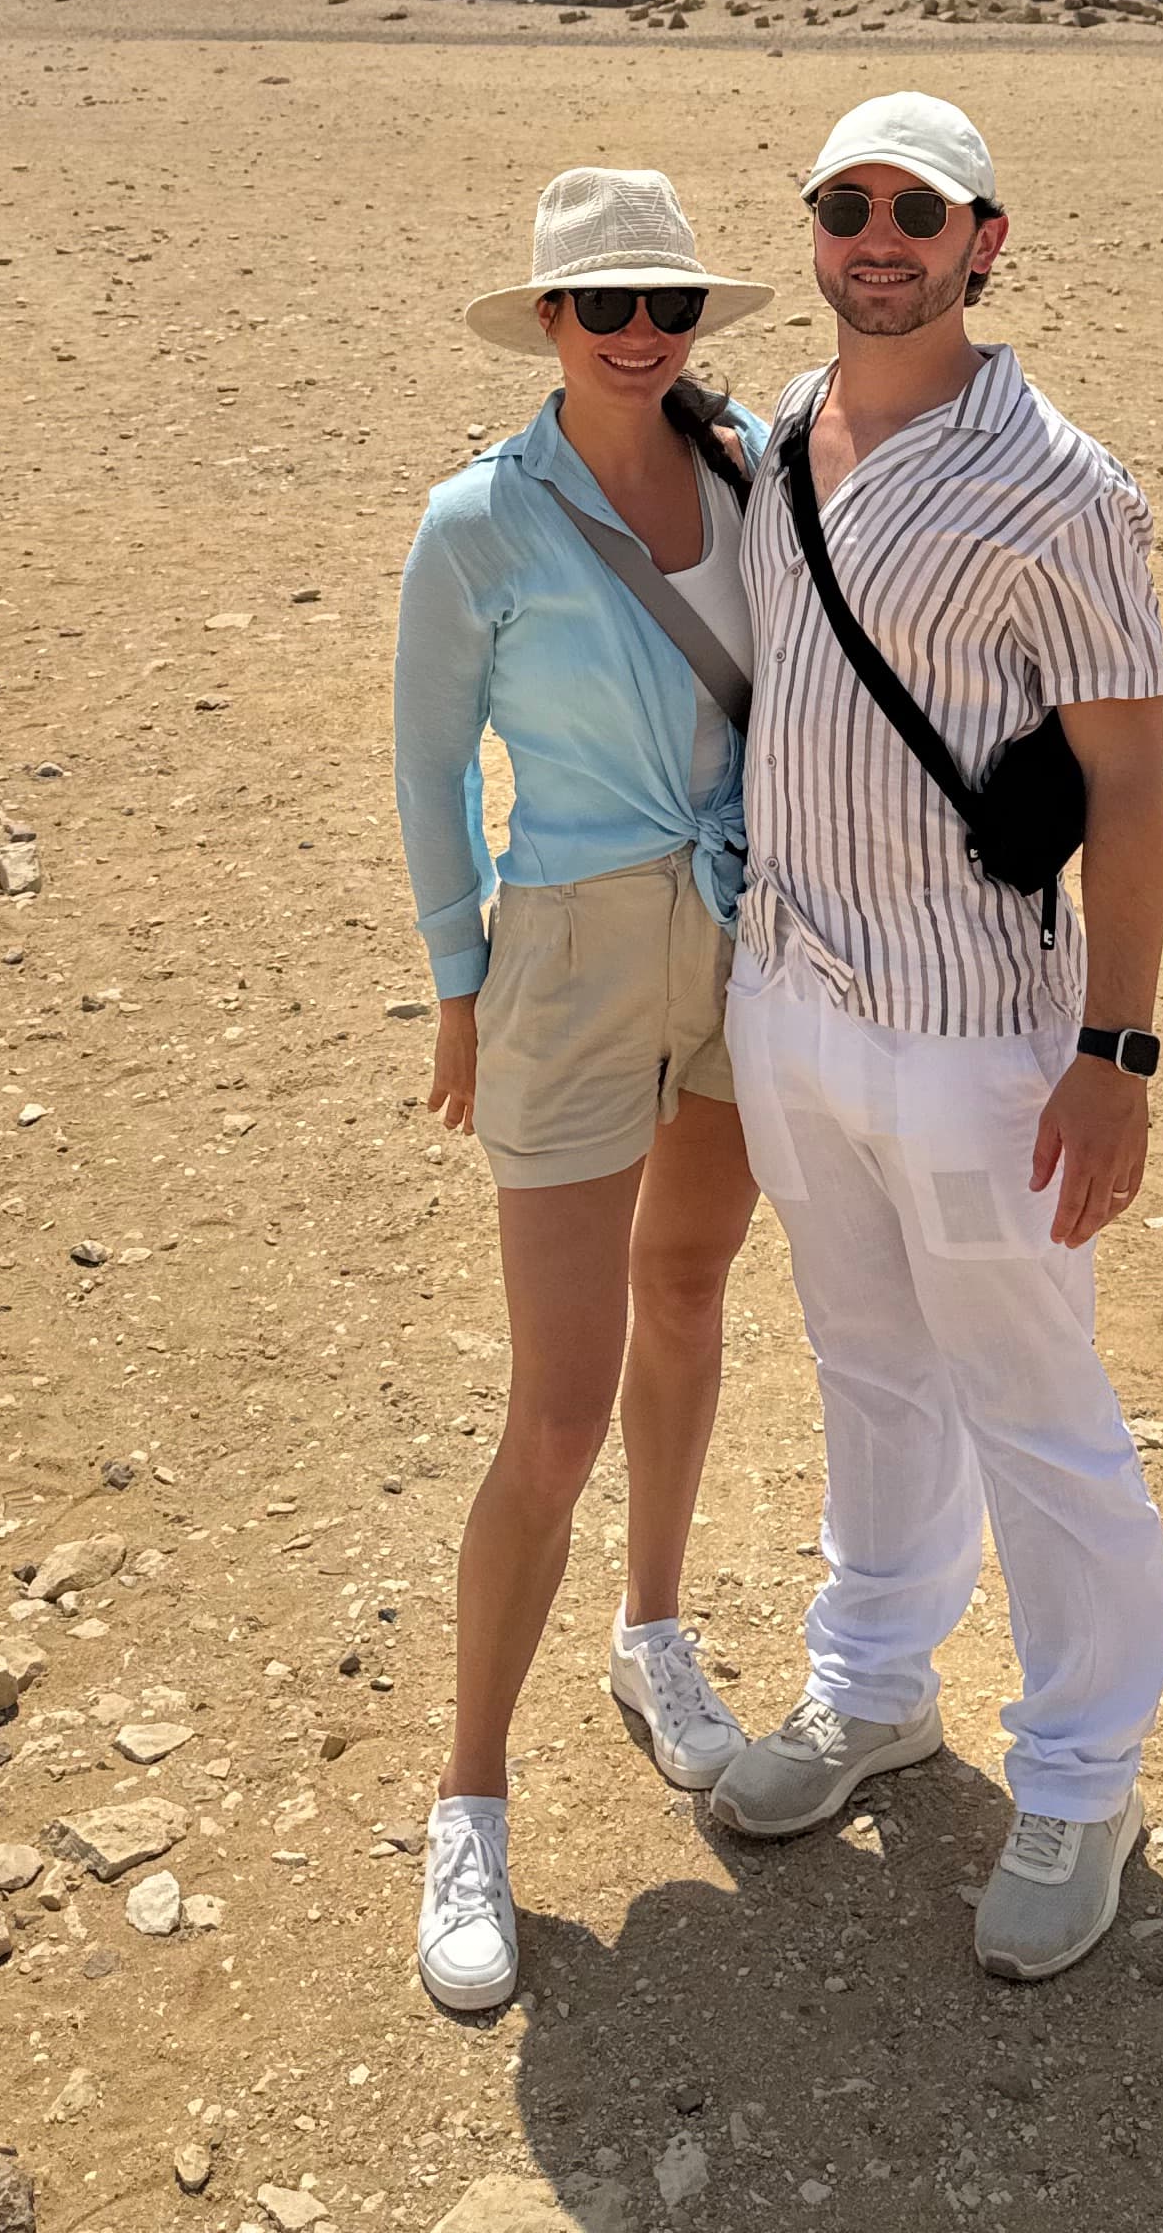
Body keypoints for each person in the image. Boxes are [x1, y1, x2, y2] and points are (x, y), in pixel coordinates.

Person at [709, 91, 1163, 1984]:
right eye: (846, 206)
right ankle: (875, 1683)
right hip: (794, 999)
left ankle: (1080, 1774)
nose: (878, 237)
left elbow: (1129, 784)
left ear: (991, 240)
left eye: (920, 209)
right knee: (865, 1363)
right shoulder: (770, 452)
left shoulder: (1067, 486)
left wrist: (1118, 1051)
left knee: (1036, 1406)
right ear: (814, 233)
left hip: (980, 1029)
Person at [393, 167, 778, 2018]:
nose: (639, 334)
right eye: (602, 305)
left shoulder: (760, 476)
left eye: (667, 303)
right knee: (551, 1416)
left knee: (690, 1295)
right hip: (563, 953)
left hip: (737, 938)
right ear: (547, 322)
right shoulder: (480, 519)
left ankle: (656, 1634)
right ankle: (469, 1796)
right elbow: (425, 768)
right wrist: (460, 988)